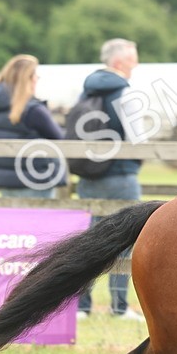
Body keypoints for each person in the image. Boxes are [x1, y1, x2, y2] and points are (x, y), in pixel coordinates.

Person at [75, 38, 144, 321]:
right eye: (132, 58)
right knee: (125, 240)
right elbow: (139, 136)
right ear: (118, 63)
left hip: (88, 177)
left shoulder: (85, 90)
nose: (136, 63)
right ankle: (118, 306)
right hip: (121, 176)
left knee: (87, 243)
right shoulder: (124, 92)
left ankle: (82, 306)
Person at [0, 54, 66, 198]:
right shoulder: (33, 110)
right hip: (35, 179)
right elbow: (60, 138)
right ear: (28, 78)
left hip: (5, 180)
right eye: (35, 76)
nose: (37, 80)